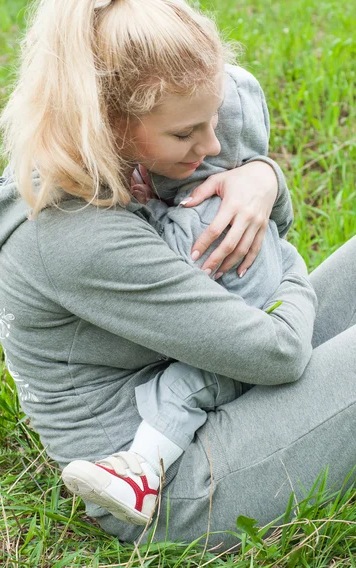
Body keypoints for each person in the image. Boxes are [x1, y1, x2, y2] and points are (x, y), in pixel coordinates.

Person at [0, 0, 355, 550]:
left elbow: (249, 239)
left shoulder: (124, 153)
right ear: (109, 123)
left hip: (213, 376)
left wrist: (261, 180)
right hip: (167, 480)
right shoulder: (74, 238)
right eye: (186, 133)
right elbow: (279, 350)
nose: (213, 147)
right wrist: (286, 268)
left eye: (213, 119)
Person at [60, 63, 317, 526]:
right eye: (187, 133)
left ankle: (142, 475)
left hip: (240, 341)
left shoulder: (207, 210)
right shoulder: (225, 193)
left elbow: (178, 263)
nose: (210, 145)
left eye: (213, 129)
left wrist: (143, 209)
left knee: (181, 390)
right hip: (250, 322)